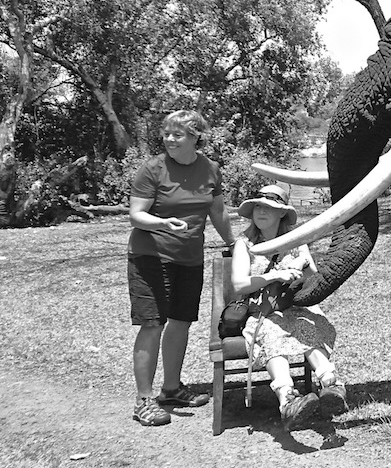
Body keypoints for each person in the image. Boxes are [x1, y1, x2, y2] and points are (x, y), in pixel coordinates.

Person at [127, 110, 234, 426]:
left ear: (196, 137)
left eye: (178, 134)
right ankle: (144, 400)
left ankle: (171, 389)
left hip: (189, 259)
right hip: (150, 256)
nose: (169, 139)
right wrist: (161, 223)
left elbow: (218, 211)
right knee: (152, 324)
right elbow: (136, 215)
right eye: (167, 133)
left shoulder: (210, 170)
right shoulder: (153, 169)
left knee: (180, 322)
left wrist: (234, 242)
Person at [231, 184, 347, 428]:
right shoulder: (245, 243)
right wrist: (275, 275)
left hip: (295, 308)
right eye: (258, 207)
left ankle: (331, 383)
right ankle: (288, 399)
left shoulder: (295, 240)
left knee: (310, 326)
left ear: (282, 214)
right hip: (262, 312)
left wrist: (302, 265)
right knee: (273, 332)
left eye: (269, 208)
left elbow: (314, 278)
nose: (261, 212)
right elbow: (239, 284)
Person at [0, 152, 17, 226]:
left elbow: (11, 185)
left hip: (6, 196)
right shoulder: (2, 168)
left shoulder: (12, 171)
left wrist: (6, 195)